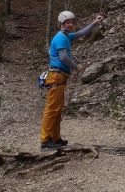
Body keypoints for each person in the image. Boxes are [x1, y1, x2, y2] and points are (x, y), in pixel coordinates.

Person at [40, 9, 104, 149]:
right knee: (52, 109)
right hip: (56, 75)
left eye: (72, 22)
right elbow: (63, 57)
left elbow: (81, 33)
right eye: (67, 22)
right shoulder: (61, 38)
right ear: (61, 24)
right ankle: (45, 140)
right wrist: (76, 66)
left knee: (57, 109)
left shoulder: (66, 36)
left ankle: (55, 139)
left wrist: (94, 22)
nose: (70, 24)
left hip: (60, 76)